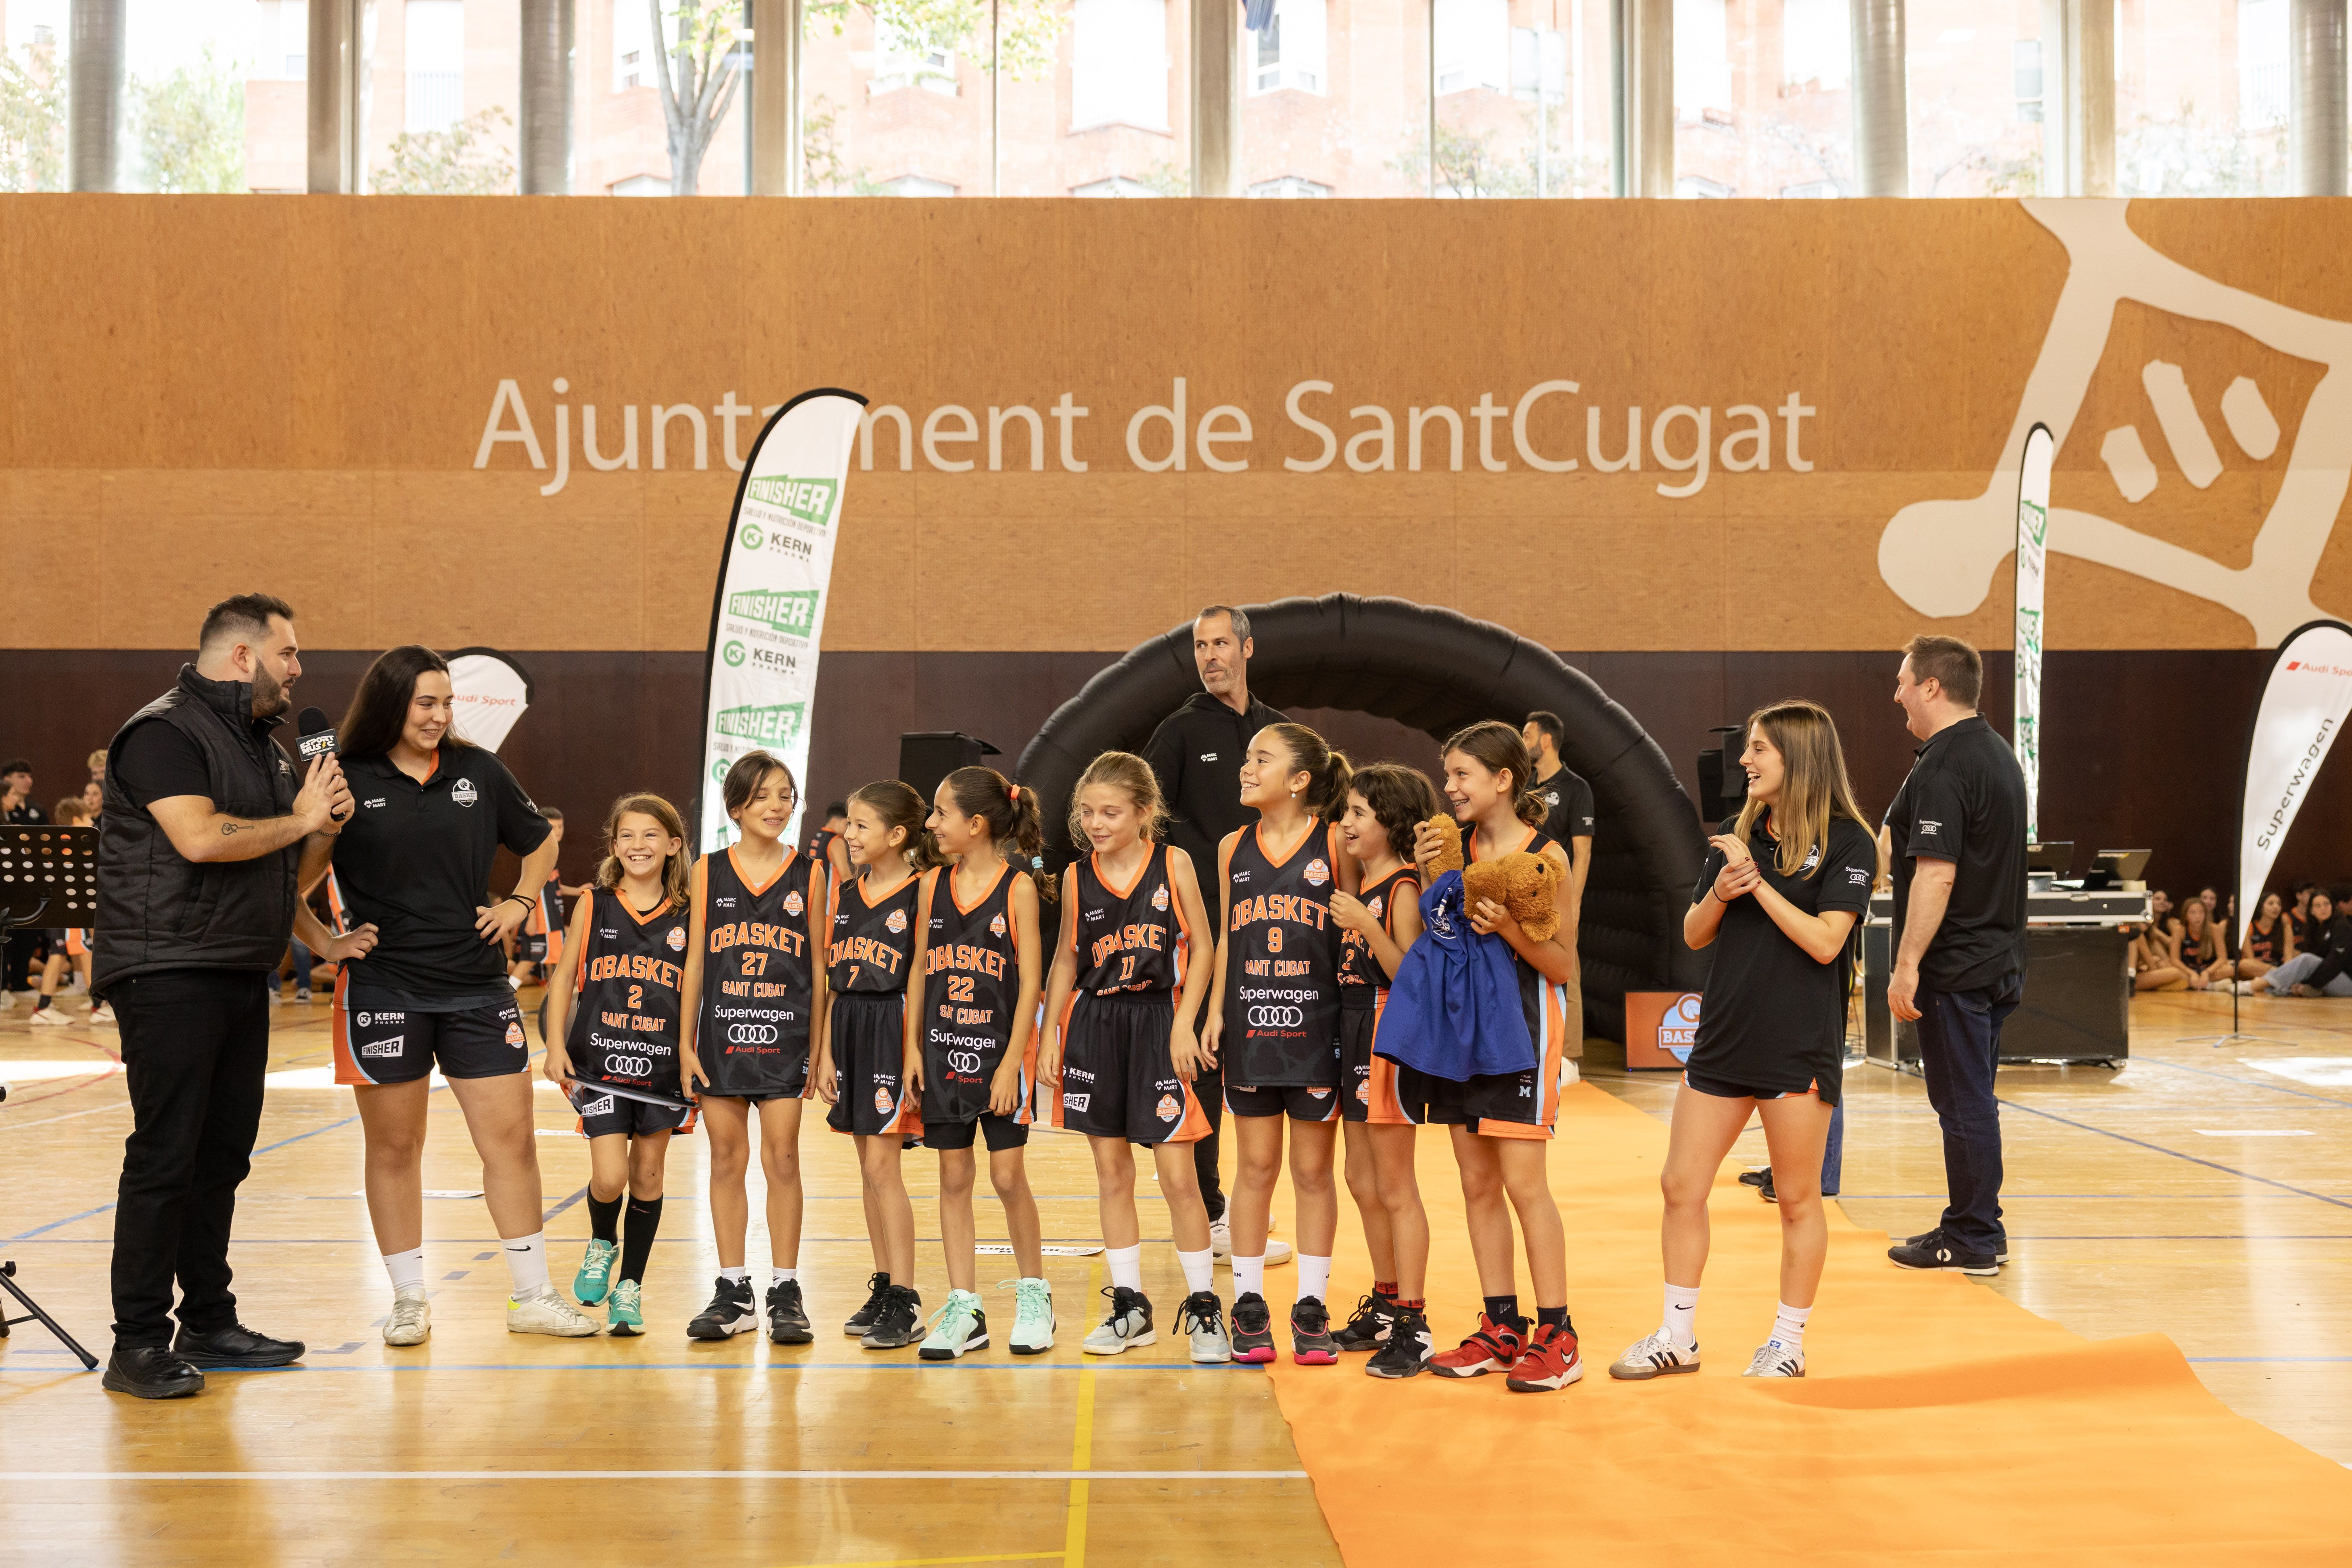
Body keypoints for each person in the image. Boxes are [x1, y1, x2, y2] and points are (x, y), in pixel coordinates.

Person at [92, 594, 362, 1399]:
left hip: (240, 969)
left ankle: (207, 1318)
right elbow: (204, 839)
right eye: (288, 653)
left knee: (222, 1158)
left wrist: (323, 850)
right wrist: (300, 815)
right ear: (242, 656)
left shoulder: (266, 748)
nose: (299, 669)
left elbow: (280, 872)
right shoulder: (163, 733)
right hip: (167, 969)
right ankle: (137, 1341)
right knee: (166, 1156)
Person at [311, 644, 592, 1344]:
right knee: (395, 1148)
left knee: (512, 1142)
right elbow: (293, 876)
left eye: (445, 703)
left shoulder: (478, 771)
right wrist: (324, 943)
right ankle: (408, 1298)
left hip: (475, 987)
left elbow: (540, 845)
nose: (439, 716)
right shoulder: (345, 779)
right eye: (424, 703)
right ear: (390, 705)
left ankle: (532, 1296)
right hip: (383, 988)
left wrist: (522, 902)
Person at [1611, 700, 1872, 1384]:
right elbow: (1696, 934)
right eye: (1747, 749)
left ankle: (1785, 1342)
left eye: (1759, 749)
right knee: (1679, 1185)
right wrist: (1723, 892)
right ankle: (1677, 1335)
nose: (1745, 761)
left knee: (1795, 1200)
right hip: (1722, 1039)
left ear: (1798, 757)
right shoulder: (1734, 834)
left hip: (1797, 1047)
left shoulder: (1849, 842)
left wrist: (1755, 887)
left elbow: (1824, 943)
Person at [1405, 721, 1583, 1392]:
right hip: (1459, 1035)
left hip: (1521, 1036)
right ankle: (1500, 1326)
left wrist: (1508, 926)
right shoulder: (1455, 848)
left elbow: (1561, 964)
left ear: (1502, 779)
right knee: (1475, 1184)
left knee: (1522, 1185)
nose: (1448, 787)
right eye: (1446, 775)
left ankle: (1558, 1333)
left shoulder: (1547, 857)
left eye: (1461, 775)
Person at [1038, 752, 1226, 1361]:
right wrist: (1050, 1035)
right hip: (1095, 1024)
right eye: (1087, 811)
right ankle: (1130, 1305)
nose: (1095, 822)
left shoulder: (1173, 862)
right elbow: (1068, 956)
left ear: (1145, 812)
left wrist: (1184, 1023)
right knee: (1112, 1173)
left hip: (1156, 1022)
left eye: (1110, 811)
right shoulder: (1075, 876)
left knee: (1178, 1175)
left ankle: (1203, 1308)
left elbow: (1202, 946)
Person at [1142, 604, 1292, 1265]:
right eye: (1200, 646)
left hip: (1269, 932)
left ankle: (1240, 1207)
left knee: (1253, 1068)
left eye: (1221, 643)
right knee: (1198, 1069)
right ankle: (1208, 1212)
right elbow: (1148, 827)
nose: (1210, 656)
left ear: (1247, 648)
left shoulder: (1275, 732)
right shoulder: (1177, 733)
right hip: (1199, 934)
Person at [1203, 723, 1352, 1367]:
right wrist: (1215, 1010)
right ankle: (1249, 1305)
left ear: (1299, 780)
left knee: (1313, 1171)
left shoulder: (1335, 843)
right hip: (1251, 1023)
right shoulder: (1232, 845)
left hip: (1316, 1026)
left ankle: (1311, 1307)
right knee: (1254, 1168)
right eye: (1244, 757)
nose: (1245, 767)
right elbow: (1229, 939)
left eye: (1261, 759)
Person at [1882, 635, 2027, 1277]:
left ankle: (1973, 1234)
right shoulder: (1996, 753)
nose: (1897, 694)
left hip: (1957, 966)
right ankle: (1974, 1225)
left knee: (1963, 1101)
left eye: (1903, 681)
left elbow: (1936, 874)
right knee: (1974, 1098)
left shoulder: (1945, 764)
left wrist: (1907, 961)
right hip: (1998, 959)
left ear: (1932, 687)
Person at [904, 767, 1054, 1359]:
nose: (931, 823)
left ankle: (1035, 1297)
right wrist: (913, 1046)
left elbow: (1030, 981)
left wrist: (1011, 1060)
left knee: (1007, 1175)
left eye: (941, 813)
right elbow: (919, 969)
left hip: (998, 1054)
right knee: (953, 1176)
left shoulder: (1016, 887)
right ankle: (964, 1305)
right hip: (941, 1049)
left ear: (976, 823)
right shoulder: (929, 886)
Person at [682, 751, 824, 1344]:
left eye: (786, 794)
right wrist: (683, 1042)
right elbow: (694, 962)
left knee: (783, 1158)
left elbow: (819, 968)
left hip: (786, 1038)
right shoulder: (706, 870)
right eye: (764, 795)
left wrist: (822, 1049)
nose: (776, 805)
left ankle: (786, 1287)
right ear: (737, 805)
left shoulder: (810, 873)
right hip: (721, 1037)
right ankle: (733, 1287)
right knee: (724, 1158)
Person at [542, 794, 698, 1336]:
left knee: (648, 1176)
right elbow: (563, 978)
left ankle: (630, 1288)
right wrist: (553, 1044)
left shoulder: (689, 910)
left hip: (660, 1068)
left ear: (674, 844)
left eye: (651, 835)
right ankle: (602, 1241)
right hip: (600, 1060)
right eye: (628, 836)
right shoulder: (595, 901)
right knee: (609, 1177)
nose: (639, 845)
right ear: (614, 846)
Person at [814, 780, 932, 1351]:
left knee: (885, 1168)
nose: (849, 834)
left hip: (892, 1025)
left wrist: (913, 1050)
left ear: (897, 834)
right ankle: (885, 1281)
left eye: (861, 825)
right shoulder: (846, 890)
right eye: (849, 823)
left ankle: (907, 1299)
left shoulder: (922, 889)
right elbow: (835, 978)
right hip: (851, 1027)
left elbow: (919, 976)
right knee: (867, 1166)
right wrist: (827, 1051)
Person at [1325, 763, 1435, 1375]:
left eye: (1359, 813)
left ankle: (1415, 1323)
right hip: (1350, 1027)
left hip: (1386, 1028)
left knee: (1395, 1185)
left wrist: (1366, 925)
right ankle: (1387, 1300)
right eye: (1345, 812)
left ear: (1391, 822)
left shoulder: (1402, 888)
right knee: (1361, 1181)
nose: (1346, 823)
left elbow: (1411, 978)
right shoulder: (1365, 881)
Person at [1520, 711, 1594, 1083]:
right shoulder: (1522, 785)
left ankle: (1568, 1057)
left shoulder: (1575, 788)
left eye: (1527, 734)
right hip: (1520, 894)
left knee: (1569, 972)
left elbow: (1582, 853)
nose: (1523, 740)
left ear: (1545, 740)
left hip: (1557, 896)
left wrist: (1574, 902)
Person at [26, 797, 100, 1027]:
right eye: (89, 818)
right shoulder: (74, 844)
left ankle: (44, 1007)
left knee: (59, 955)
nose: (93, 822)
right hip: (69, 910)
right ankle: (98, 1006)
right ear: (78, 820)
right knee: (85, 950)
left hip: (59, 910)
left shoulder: (61, 843)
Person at [510, 807, 578, 987]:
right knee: (530, 960)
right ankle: (507, 999)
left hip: (553, 921)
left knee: (558, 962)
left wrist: (579, 891)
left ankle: (551, 1005)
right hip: (541, 921)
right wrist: (531, 918)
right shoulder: (538, 852)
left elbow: (554, 886)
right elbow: (531, 887)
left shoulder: (552, 853)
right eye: (552, 827)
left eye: (560, 827)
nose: (558, 832)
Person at [1, 757, 48, 1010]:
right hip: (6, 881)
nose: (28, 781)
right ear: (7, 780)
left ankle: (20, 982)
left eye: (30, 776)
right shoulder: (4, 810)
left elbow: (44, 841)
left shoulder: (36, 810)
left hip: (29, 879)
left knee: (28, 931)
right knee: (5, 933)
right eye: (21, 776)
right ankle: (4, 985)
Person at [2249, 890, 2351, 996]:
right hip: (2327, 979)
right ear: (2312, 911)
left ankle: (2252, 986)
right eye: (2318, 906)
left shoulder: (2342, 926)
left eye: (2326, 904)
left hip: (2348, 982)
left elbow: (2335, 962)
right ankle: (2269, 989)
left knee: (2306, 959)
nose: (2323, 909)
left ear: (2332, 907)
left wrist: (2309, 983)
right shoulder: (2314, 930)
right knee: (2302, 962)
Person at [2225, 891, 2296, 983]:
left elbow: (2289, 957)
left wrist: (2286, 970)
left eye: (2279, 904)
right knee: (2244, 964)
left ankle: (2279, 977)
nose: (2276, 907)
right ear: (2261, 907)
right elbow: (2250, 958)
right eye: (2271, 904)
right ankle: (2280, 977)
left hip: (2278, 967)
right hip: (2257, 970)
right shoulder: (2248, 927)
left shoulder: (2285, 927)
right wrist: (2280, 973)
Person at [2173, 896, 2225, 990]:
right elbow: (2174, 959)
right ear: (2186, 916)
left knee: (2232, 969)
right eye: (2193, 913)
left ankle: (2199, 984)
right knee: (2170, 970)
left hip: (2209, 971)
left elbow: (2222, 958)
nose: (2198, 916)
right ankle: (2209, 985)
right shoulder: (2180, 930)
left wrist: (2207, 972)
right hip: (2188, 971)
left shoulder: (2214, 929)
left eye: (2202, 912)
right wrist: (2192, 973)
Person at [2126, 921, 2190, 992]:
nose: (2147, 924)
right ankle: (2154, 986)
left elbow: (2163, 960)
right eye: (2144, 922)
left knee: (2164, 965)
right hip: (2128, 979)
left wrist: (2144, 964)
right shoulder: (2135, 934)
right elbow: (2152, 967)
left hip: (2132, 974)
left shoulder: (2149, 937)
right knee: (2176, 973)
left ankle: (2155, 986)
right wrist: (2149, 963)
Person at [806, 802, 852, 885]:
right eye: (847, 824)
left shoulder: (815, 838)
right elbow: (845, 876)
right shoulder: (836, 840)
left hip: (812, 892)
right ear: (834, 821)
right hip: (829, 896)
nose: (849, 828)